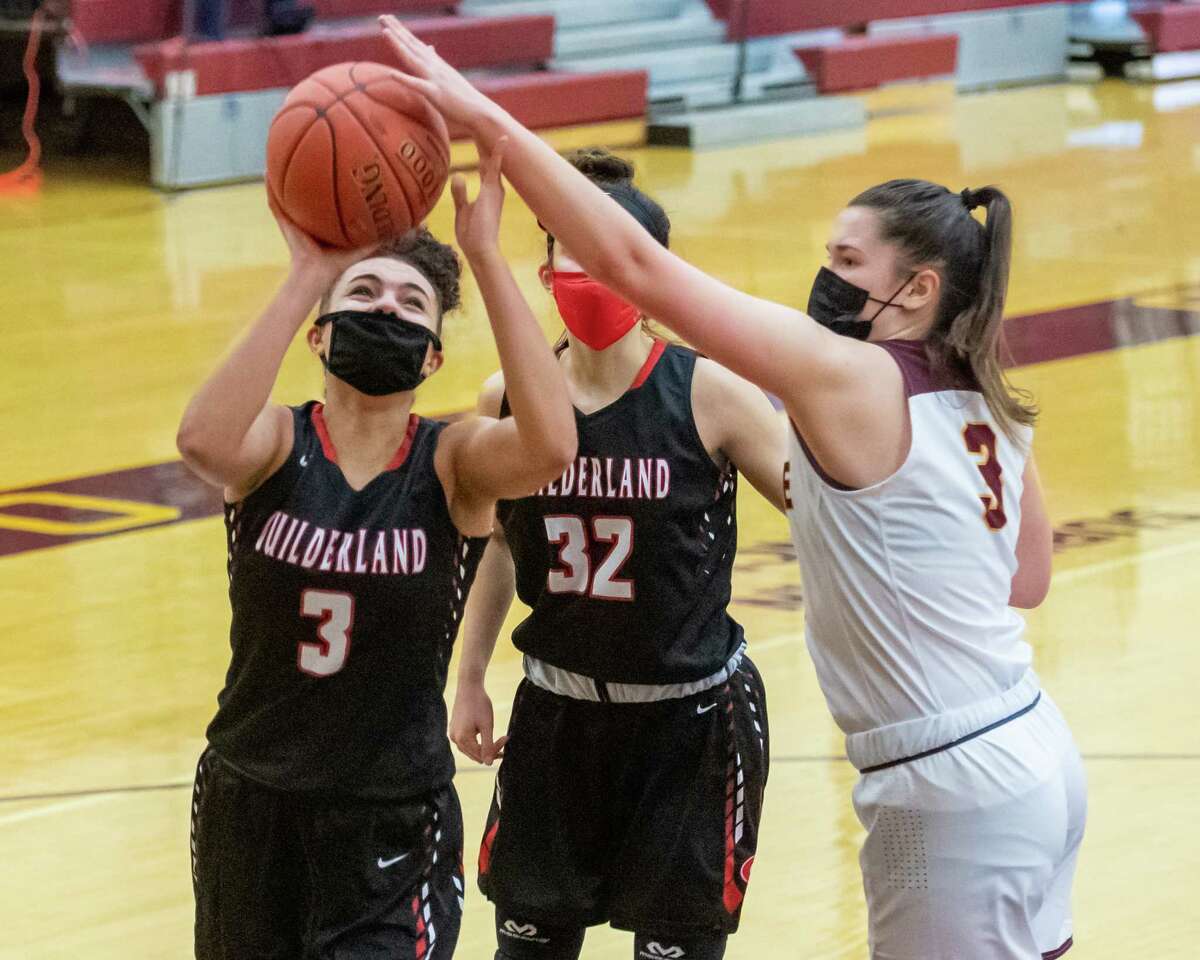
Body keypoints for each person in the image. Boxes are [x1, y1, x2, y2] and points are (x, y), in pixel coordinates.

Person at [379, 18, 1087, 960]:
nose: (823, 279)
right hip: (1037, 756)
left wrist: (485, 119)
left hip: (944, 784)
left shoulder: (846, 378)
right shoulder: (988, 394)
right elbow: (1024, 581)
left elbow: (638, 267)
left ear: (915, 291)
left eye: (846, 262)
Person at [176, 142, 577, 959]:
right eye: (364, 292)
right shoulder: (272, 444)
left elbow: (550, 447)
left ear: (433, 356)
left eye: (411, 301)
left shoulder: (453, 462)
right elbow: (200, 441)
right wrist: (305, 276)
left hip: (390, 812)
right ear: (321, 338)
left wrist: (487, 257)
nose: (387, 307)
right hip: (250, 796)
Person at [448, 147, 786, 960]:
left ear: (651, 272)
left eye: (612, 255)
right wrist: (467, 679)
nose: (591, 271)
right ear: (544, 268)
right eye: (574, 251)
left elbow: (832, 512)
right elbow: (499, 545)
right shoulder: (507, 397)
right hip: (556, 714)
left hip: (690, 722)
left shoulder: (714, 394)